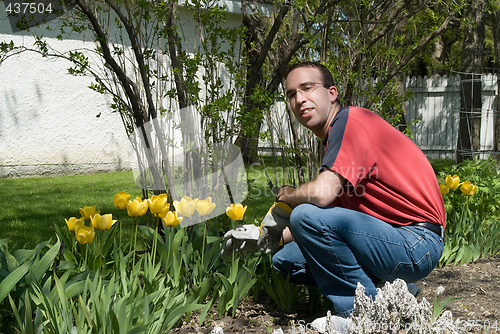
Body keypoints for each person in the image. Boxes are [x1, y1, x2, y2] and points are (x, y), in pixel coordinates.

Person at [222, 61, 445, 331]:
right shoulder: (337, 143)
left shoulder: (353, 122)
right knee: (286, 259)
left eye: (307, 88)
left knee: (305, 212)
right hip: (388, 241)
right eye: (292, 94)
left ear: (331, 93)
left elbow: (321, 197)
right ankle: (392, 294)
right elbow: (323, 224)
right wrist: (266, 238)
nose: (299, 99)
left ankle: (357, 314)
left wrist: (287, 197)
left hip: (416, 242)